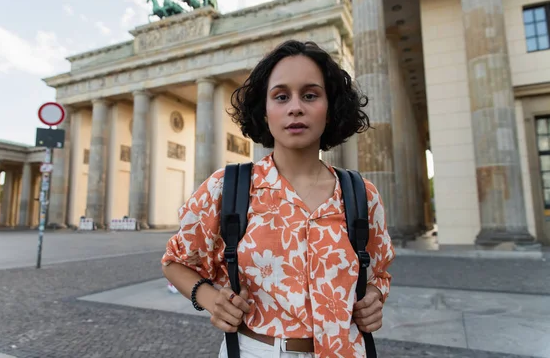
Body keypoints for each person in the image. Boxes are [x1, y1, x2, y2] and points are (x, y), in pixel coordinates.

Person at [161, 40, 396, 357]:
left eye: (310, 95)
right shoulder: (227, 188)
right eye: (281, 96)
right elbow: (175, 262)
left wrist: (374, 297)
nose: (295, 107)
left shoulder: (361, 194)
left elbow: (378, 272)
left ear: (331, 108)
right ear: (265, 111)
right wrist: (209, 298)